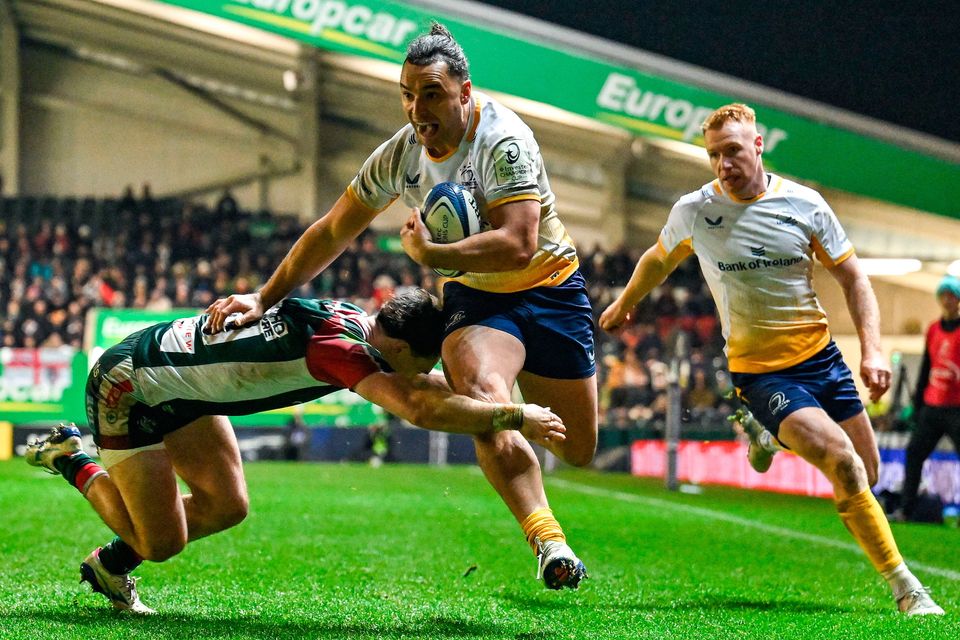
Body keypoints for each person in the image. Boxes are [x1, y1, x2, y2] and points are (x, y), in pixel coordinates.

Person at [205, 23, 596, 590]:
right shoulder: (400, 155)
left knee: (578, 447)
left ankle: (474, 414)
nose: (417, 109)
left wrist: (431, 251)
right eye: (408, 94)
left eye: (431, 93)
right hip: (477, 300)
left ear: (465, 93)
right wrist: (265, 296)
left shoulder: (503, 140)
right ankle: (549, 541)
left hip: (551, 290)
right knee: (485, 396)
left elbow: (518, 242)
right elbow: (334, 228)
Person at [599, 103, 944, 616]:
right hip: (761, 373)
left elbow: (854, 278)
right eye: (714, 155)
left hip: (823, 361)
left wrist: (871, 350)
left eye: (733, 151)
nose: (723, 165)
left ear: (759, 146)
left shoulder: (805, 205)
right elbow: (658, 256)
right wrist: (626, 302)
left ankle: (766, 434)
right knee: (843, 464)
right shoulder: (695, 210)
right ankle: (907, 588)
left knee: (868, 474)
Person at [26, 289, 566, 613]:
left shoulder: (360, 325)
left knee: (227, 505)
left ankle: (106, 569)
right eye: (422, 362)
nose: (424, 373)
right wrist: (516, 414)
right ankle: (72, 457)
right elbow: (420, 408)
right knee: (161, 541)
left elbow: (422, 392)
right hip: (131, 387)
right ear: (398, 346)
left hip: (182, 391)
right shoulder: (344, 351)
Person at [895, 275, 960, 522]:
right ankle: (906, 509)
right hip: (932, 407)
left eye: (952, 296)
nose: (947, 300)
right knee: (914, 454)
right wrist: (917, 405)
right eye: (943, 295)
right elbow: (926, 366)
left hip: (957, 409)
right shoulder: (933, 329)